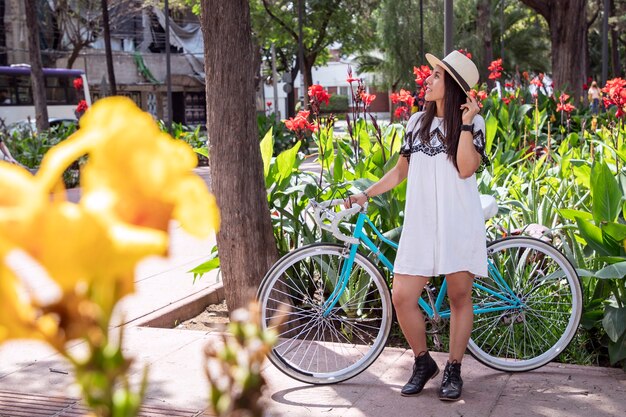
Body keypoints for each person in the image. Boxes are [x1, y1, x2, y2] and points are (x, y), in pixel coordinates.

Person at [347, 50, 488, 401]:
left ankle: (454, 368)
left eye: (436, 76)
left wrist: (468, 124)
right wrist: (367, 194)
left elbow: (466, 168)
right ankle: (423, 362)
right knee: (402, 297)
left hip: (458, 220)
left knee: (459, 296)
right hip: (421, 223)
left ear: (452, 86)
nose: (427, 79)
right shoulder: (415, 123)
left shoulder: (472, 124)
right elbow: (400, 171)